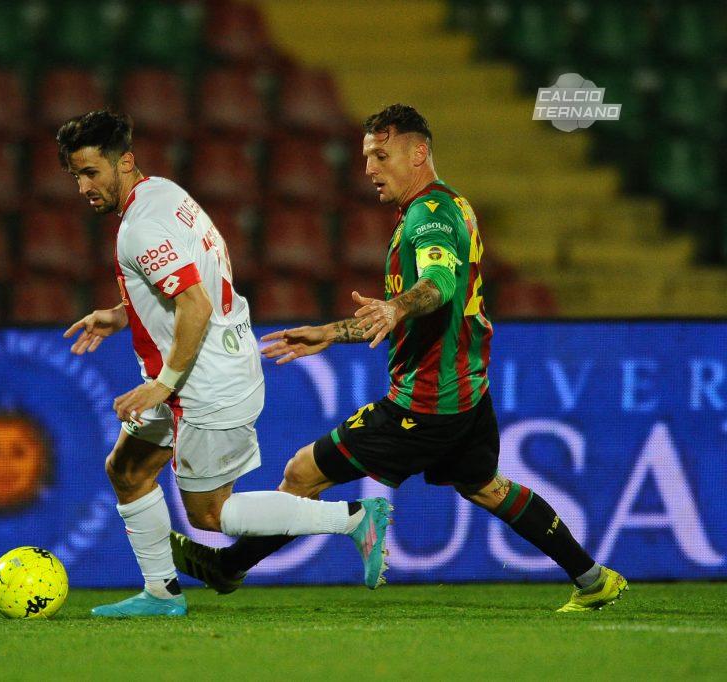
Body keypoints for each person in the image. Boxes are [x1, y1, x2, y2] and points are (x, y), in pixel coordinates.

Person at [171, 104, 628, 613]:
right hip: (466, 388)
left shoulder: (430, 216)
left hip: (425, 401)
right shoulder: (447, 205)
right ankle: (592, 579)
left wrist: (397, 306)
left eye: (381, 155)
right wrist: (331, 332)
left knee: (302, 473)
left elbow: (439, 283)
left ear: (419, 153)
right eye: (367, 156)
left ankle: (228, 567)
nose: (369, 168)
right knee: (486, 487)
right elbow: (418, 301)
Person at [57, 110, 392, 618]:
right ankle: (161, 594)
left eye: (90, 172)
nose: (83, 187)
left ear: (124, 162)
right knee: (126, 470)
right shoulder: (164, 194)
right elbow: (193, 284)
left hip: (205, 382)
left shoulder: (139, 227)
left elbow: (195, 304)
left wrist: (163, 384)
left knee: (211, 515)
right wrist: (123, 314)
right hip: (205, 366)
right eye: (75, 176)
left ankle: (353, 519)